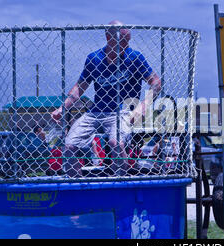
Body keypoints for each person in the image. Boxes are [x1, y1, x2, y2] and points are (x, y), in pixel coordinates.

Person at [52, 20, 161, 177]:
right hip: (96, 111)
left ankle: (121, 182)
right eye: (123, 40)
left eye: (128, 40)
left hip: (122, 111)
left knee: (115, 143)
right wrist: (63, 108)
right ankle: (76, 184)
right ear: (109, 38)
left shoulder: (134, 57)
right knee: (69, 145)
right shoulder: (94, 58)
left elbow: (156, 82)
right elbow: (79, 88)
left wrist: (143, 106)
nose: (126, 45)